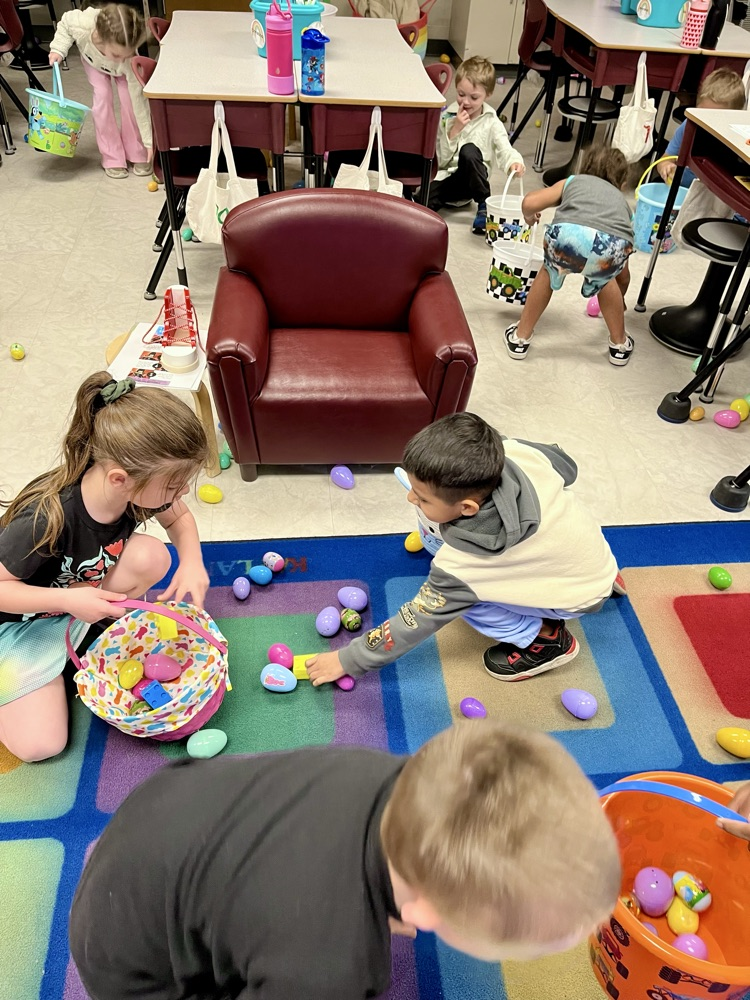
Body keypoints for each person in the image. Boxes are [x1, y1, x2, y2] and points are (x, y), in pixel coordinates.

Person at [69, 720, 622, 999]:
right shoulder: (328, 967)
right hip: (136, 966)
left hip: (160, 818)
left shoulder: (404, 783)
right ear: (424, 915)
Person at [307, 412, 621, 688]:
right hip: (595, 560)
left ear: (468, 508)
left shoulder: (462, 567)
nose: (410, 500)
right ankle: (593, 582)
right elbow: (568, 467)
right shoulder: (515, 452)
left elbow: (414, 621)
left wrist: (349, 660)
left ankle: (545, 640)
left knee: (468, 602)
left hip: (580, 592)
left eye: (422, 498)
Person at [0, 373, 210, 763]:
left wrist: (193, 562)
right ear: (120, 479)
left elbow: (179, 520)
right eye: (174, 485)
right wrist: (69, 602)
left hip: (71, 600)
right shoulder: (47, 516)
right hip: (16, 623)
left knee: (154, 556)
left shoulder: (131, 486)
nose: (180, 493)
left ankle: (75, 639)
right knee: (40, 745)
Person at [504, 146, 635, 367]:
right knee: (607, 280)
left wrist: (529, 217)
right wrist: (618, 297)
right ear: (621, 184)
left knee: (548, 271)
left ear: (583, 168)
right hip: (611, 247)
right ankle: (619, 344)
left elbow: (529, 203)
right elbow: (623, 272)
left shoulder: (573, 182)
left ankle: (520, 338)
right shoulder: (622, 204)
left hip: (568, 238)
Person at [49, 4, 151, 179]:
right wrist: (58, 49)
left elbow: (140, 106)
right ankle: (112, 157)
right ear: (101, 39)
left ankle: (137, 151)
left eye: (127, 54)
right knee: (102, 99)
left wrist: (149, 142)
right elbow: (65, 22)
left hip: (123, 71)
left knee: (130, 101)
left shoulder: (128, 60)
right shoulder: (82, 23)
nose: (122, 59)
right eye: (118, 55)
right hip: (93, 62)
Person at [429, 55, 525, 236]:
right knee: (423, 199)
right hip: (451, 181)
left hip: (474, 182)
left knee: (469, 150)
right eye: (460, 94)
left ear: (487, 95)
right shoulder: (448, 117)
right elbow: (441, 161)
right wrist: (455, 130)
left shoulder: (491, 121)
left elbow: (505, 147)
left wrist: (514, 162)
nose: (465, 102)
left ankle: (484, 206)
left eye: (474, 97)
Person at [658, 68, 746, 189]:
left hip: (718, 195)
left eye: (716, 118)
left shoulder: (739, 135)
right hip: (683, 190)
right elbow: (665, 159)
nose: (708, 123)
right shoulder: (688, 127)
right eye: (703, 115)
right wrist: (666, 166)